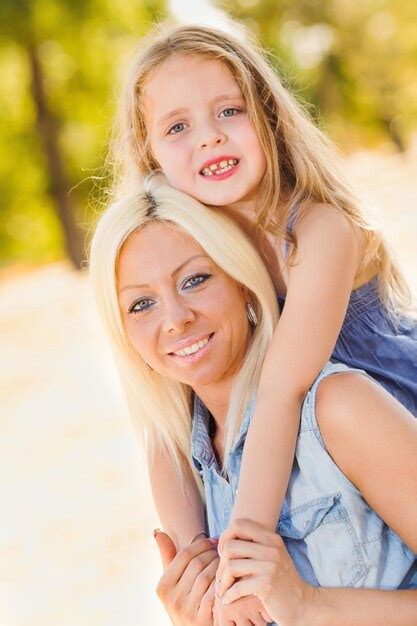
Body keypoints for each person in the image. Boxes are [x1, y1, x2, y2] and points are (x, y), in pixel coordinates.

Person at [108, 23, 417, 604]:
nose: (209, 139)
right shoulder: (193, 245)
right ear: (150, 154)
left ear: (268, 116)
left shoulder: (318, 230)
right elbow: (164, 427)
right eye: (178, 126)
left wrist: (241, 551)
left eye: (229, 111)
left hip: (389, 418)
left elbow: (281, 388)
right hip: (305, 443)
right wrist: (197, 560)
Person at [89, 174, 417, 626]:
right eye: (141, 305)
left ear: (242, 280)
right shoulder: (188, 463)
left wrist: (309, 605)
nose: (176, 320)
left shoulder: (338, 409)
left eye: (195, 280)